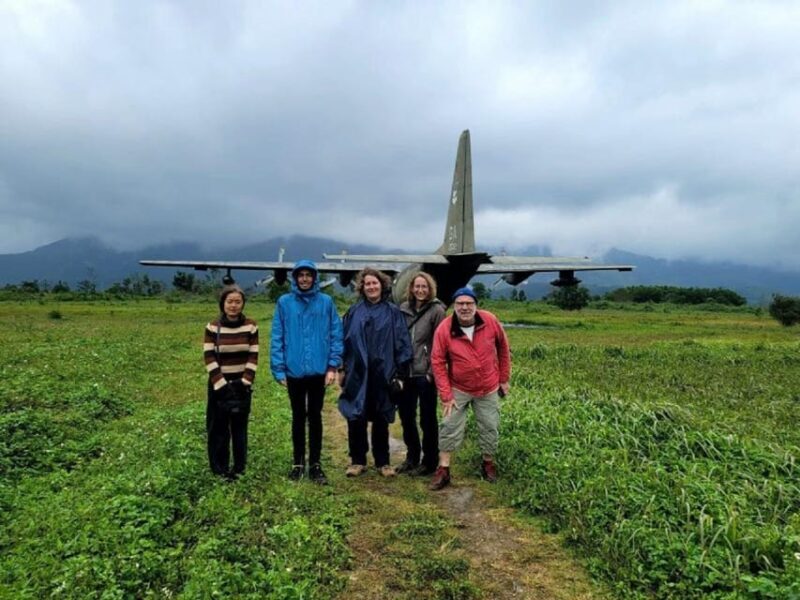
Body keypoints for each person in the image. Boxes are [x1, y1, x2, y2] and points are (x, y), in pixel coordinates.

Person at [429, 286, 511, 490]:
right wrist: (446, 395)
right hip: (458, 387)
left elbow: (503, 348)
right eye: (460, 304)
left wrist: (504, 378)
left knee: (490, 426)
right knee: (449, 425)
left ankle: (488, 463)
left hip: (488, 387)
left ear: (476, 305)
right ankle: (444, 469)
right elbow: (437, 361)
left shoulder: (490, 320)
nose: (465, 307)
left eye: (469, 303)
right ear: (454, 306)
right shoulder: (444, 328)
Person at [271, 260, 343, 485]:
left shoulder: (326, 302)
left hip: (318, 371)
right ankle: (298, 463)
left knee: (315, 416)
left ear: (314, 277)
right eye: (300, 275)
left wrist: (332, 366)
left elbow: (335, 334)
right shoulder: (284, 303)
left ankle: (316, 464)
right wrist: (279, 368)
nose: (304, 279)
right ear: (295, 278)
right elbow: (277, 336)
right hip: (293, 371)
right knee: (297, 417)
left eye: (308, 275)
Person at [338, 268, 413, 478]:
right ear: (362, 287)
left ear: (382, 285)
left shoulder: (392, 312)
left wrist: (400, 373)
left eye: (375, 283)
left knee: (381, 417)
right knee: (356, 416)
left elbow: (401, 342)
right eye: (367, 284)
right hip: (357, 372)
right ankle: (357, 460)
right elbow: (344, 340)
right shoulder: (353, 312)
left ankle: (383, 462)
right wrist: (342, 368)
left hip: (383, 373)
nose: (371, 287)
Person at [203, 284, 259, 480]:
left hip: (242, 385)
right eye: (229, 302)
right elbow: (209, 356)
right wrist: (220, 384)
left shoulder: (251, 326)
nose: (233, 305)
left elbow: (253, 355)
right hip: (219, 385)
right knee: (218, 427)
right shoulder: (212, 327)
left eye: (237, 302)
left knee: (239, 427)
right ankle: (220, 469)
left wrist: (245, 381)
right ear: (223, 303)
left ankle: (239, 467)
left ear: (243, 304)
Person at [397, 272, 446, 475]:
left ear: (430, 289)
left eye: (424, 287)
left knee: (427, 419)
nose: (420, 290)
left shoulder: (437, 310)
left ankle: (430, 461)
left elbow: (439, 344)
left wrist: (431, 372)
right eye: (417, 286)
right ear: (411, 288)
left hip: (425, 374)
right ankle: (412, 456)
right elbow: (398, 339)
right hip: (406, 372)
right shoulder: (403, 309)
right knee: (407, 417)